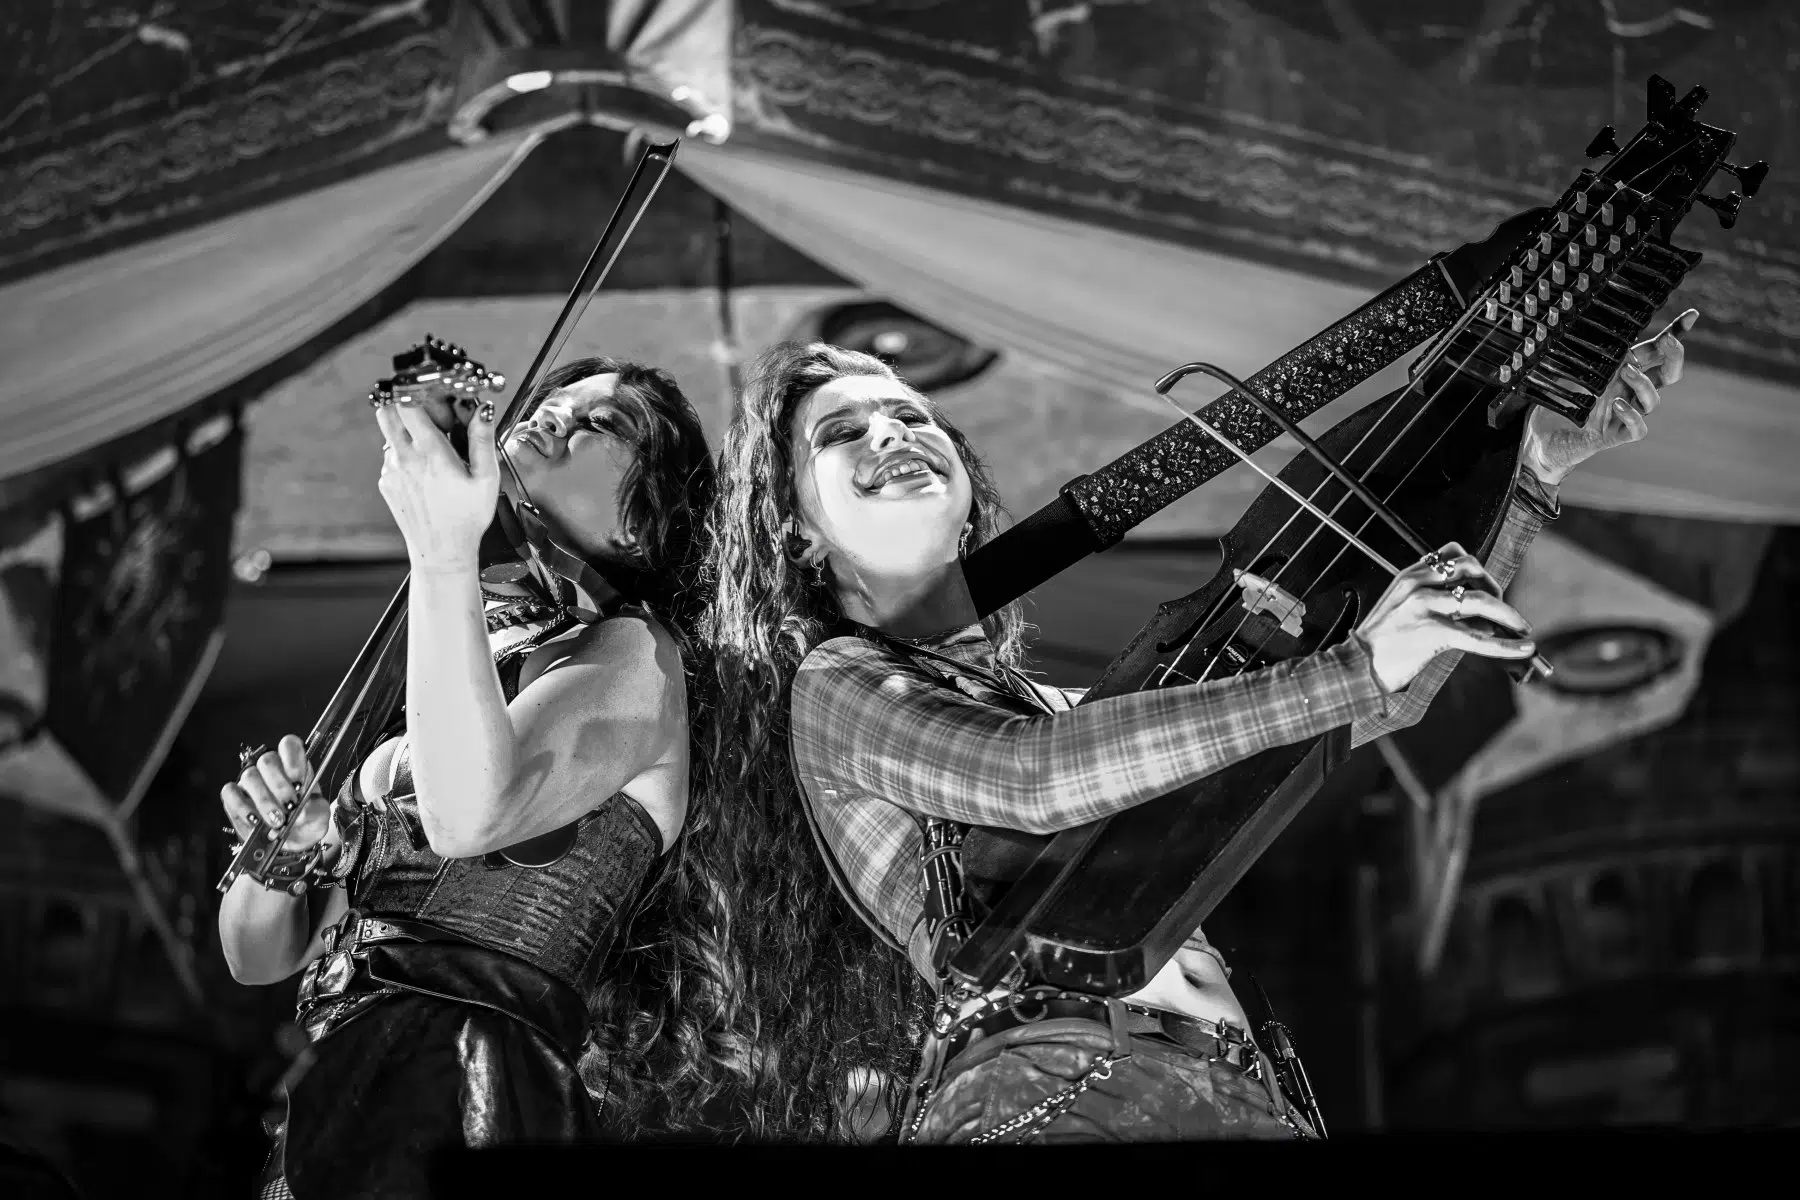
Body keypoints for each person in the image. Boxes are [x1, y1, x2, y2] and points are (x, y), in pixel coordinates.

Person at [701, 313, 1692, 1144]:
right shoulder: (838, 684)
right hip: (1055, 1090)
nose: (893, 434)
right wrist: (1350, 663)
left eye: (911, 415)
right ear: (795, 527)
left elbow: (1380, 704)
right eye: (843, 435)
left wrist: (1531, 469)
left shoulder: (1059, 710)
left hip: (1242, 1089)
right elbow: (1034, 780)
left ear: (965, 492)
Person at [218, 357, 737, 1195]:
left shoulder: (635, 656)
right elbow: (258, 955)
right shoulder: (461, 676)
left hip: (475, 1083)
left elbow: (471, 815)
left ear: (647, 522)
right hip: (339, 1087)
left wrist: (443, 550)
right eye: (552, 403)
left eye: (602, 424)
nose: (554, 418)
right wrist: (280, 850)